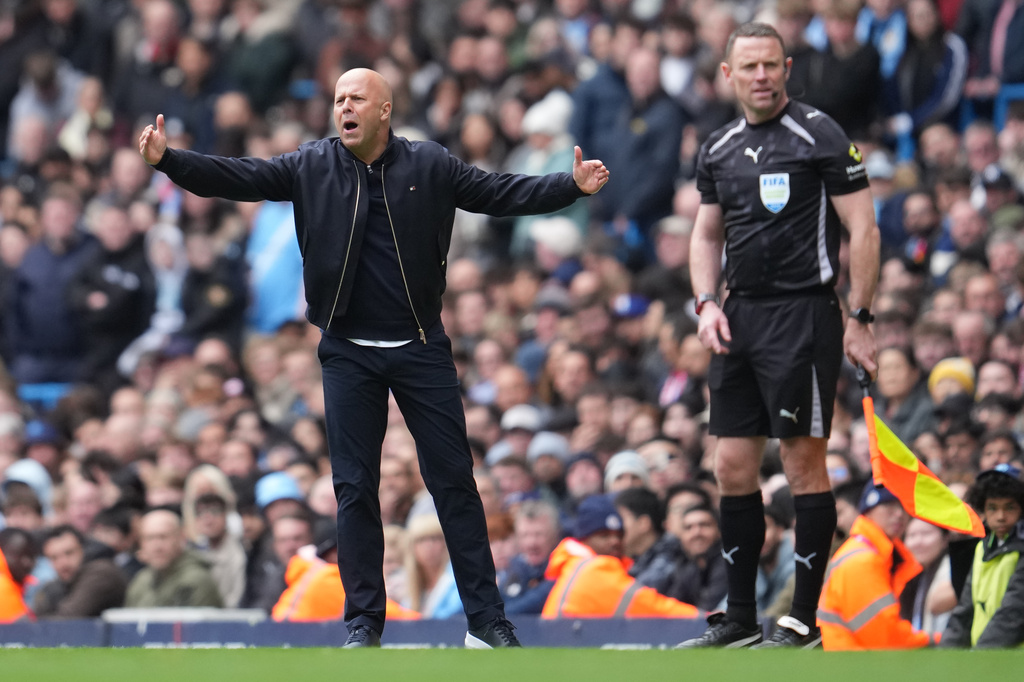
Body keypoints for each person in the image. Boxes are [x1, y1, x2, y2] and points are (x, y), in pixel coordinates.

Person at [139, 66, 608, 649]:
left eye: (356, 98)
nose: (344, 107)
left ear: (385, 110)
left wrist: (572, 186)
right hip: (347, 352)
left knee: (454, 483)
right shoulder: (311, 164)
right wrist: (168, 160)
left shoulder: (431, 163)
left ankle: (488, 622)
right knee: (354, 489)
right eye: (338, 99)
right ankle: (363, 623)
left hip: (419, 347)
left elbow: (499, 192)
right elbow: (238, 178)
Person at [680, 22, 880, 649]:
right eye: (750, 67)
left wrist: (862, 316)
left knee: (800, 462)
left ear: (787, 67)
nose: (762, 76)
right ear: (728, 74)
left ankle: (802, 619)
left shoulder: (819, 133)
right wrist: (706, 302)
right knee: (732, 466)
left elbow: (865, 229)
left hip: (805, 314)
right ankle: (741, 620)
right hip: (740, 318)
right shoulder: (716, 148)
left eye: (771, 65)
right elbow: (706, 236)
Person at [540, 494, 700, 620]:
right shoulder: (592, 570)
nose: (615, 542)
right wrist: (709, 620)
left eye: (619, 535)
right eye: (604, 536)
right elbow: (651, 607)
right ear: (584, 540)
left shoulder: (575, 566)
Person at [818, 483, 935, 650]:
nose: (899, 514)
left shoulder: (869, 553)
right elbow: (885, 637)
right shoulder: (862, 560)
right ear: (867, 511)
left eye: (902, 506)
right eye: (888, 505)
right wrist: (936, 640)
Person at [941, 464, 1024, 648]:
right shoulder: (981, 548)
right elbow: (964, 612)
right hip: (987, 662)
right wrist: (944, 658)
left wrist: (979, 660)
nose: (1001, 516)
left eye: (1010, 507)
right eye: (993, 508)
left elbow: (1013, 614)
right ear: (983, 511)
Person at [124, 509, 223, 608]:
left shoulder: (198, 580)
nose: (157, 547)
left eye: (163, 537)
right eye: (149, 538)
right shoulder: (141, 581)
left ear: (181, 537)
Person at [33, 525, 126, 618]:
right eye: (54, 558)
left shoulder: (101, 573)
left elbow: (67, 618)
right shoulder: (57, 584)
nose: (63, 563)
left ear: (83, 550)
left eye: (69, 553)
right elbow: (33, 617)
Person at [0, 527, 36, 622]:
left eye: (31, 556)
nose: (27, 562)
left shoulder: (29, 585)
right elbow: (25, 630)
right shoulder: (2, 586)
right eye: (18, 555)